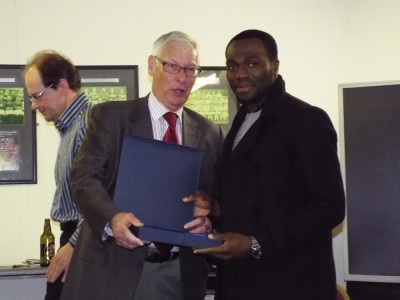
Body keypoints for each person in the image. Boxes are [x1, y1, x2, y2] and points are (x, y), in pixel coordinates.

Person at [60, 31, 224, 300]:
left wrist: (210, 218)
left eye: (191, 69)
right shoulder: (111, 117)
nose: (182, 77)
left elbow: (218, 197)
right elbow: (83, 179)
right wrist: (112, 218)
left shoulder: (209, 133)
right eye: (172, 66)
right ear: (152, 65)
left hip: (179, 275)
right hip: (112, 272)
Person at [193, 29, 346, 299]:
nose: (240, 73)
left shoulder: (306, 120)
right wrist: (216, 207)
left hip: (291, 286)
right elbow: (263, 196)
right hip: (242, 284)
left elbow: (329, 206)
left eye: (252, 63)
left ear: (274, 67)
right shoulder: (242, 120)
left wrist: (255, 244)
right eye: (232, 65)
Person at [24, 51, 94, 300]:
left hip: (85, 241)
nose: (34, 105)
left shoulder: (88, 123)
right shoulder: (70, 128)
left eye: (37, 96)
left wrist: (73, 244)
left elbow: (105, 195)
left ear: (62, 85)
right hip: (76, 238)